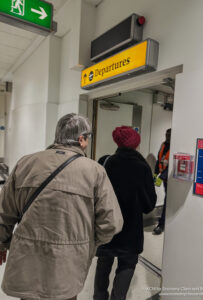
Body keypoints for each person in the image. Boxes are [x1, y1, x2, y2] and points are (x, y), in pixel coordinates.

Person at [0, 113, 123, 300]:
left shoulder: (25, 163)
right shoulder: (95, 171)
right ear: (81, 139)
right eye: (87, 138)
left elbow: (4, 212)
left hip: (27, 261)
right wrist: (87, 244)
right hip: (68, 265)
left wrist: (2, 243)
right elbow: (111, 223)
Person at [94, 126, 157, 300]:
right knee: (127, 264)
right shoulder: (142, 167)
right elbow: (148, 205)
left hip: (106, 225)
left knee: (104, 261)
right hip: (130, 230)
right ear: (136, 143)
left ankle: (99, 297)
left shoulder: (105, 161)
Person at [153, 128, 171, 235]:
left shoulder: (175, 146)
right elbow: (158, 159)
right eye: (166, 134)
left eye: (169, 134)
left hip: (171, 180)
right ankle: (163, 222)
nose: (167, 136)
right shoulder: (163, 145)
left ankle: (162, 224)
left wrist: (162, 177)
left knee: (167, 200)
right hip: (164, 180)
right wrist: (155, 174)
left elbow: (172, 165)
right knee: (167, 199)